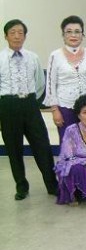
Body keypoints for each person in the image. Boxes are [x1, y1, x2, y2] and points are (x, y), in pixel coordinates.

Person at [0, 20, 57, 200]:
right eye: (13, 32)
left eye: (20, 33)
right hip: (8, 105)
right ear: (6, 36)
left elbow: (40, 83)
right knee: (14, 148)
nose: (17, 36)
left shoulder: (33, 57)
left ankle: (52, 185)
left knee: (42, 145)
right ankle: (21, 187)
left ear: (25, 36)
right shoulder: (0, 58)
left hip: (30, 104)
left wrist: (30, 100)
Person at [44, 15, 86, 143]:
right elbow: (50, 84)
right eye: (69, 31)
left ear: (82, 35)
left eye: (77, 31)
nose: (73, 35)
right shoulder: (55, 55)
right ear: (63, 35)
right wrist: (55, 110)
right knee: (68, 143)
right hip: (65, 107)